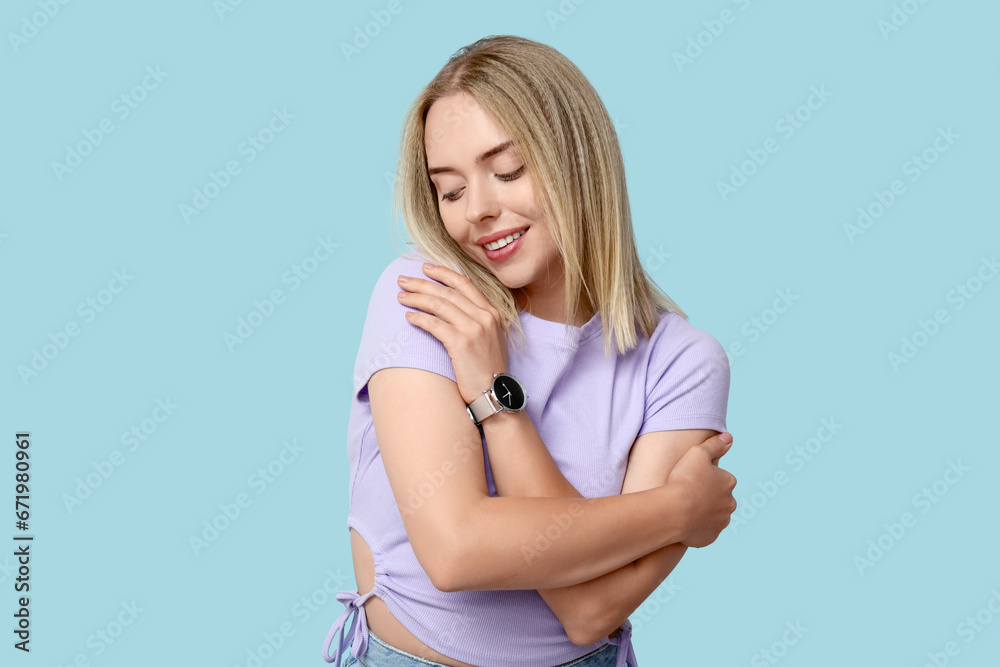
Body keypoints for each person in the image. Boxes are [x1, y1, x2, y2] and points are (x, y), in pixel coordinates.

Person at [323, 34, 737, 667]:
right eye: (451, 190)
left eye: (508, 171)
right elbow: (458, 550)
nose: (478, 212)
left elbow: (590, 611)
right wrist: (678, 509)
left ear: (578, 159)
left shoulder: (682, 362)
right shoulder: (427, 298)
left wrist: (498, 405)